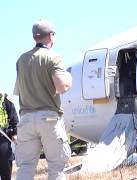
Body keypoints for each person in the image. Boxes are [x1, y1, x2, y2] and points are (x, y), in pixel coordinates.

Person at [14, 19, 72, 180]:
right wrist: (68, 77)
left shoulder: (21, 60)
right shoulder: (53, 58)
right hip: (48, 118)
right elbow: (62, 87)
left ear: (34, 37)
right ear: (51, 36)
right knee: (56, 167)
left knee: (25, 166)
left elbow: (18, 91)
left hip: (25, 119)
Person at [0, 92, 18, 180]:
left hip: (4, 138)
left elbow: (14, 118)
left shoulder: (6, 100)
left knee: (6, 166)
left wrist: (15, 133)